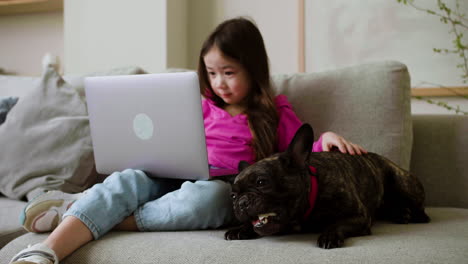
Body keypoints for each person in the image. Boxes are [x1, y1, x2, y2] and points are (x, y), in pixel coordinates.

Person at [10, 17, 366, 264]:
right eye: (212, 73)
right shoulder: (196, 104)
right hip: (166, 172)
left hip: (218, 186)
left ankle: (77, 213)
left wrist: (327, 139)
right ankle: (46, 250)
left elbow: (298, 155)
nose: (219, 83)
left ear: (254, 70)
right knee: (126, 180)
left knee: (207, 199)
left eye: (229, 73)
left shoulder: (274, 112)